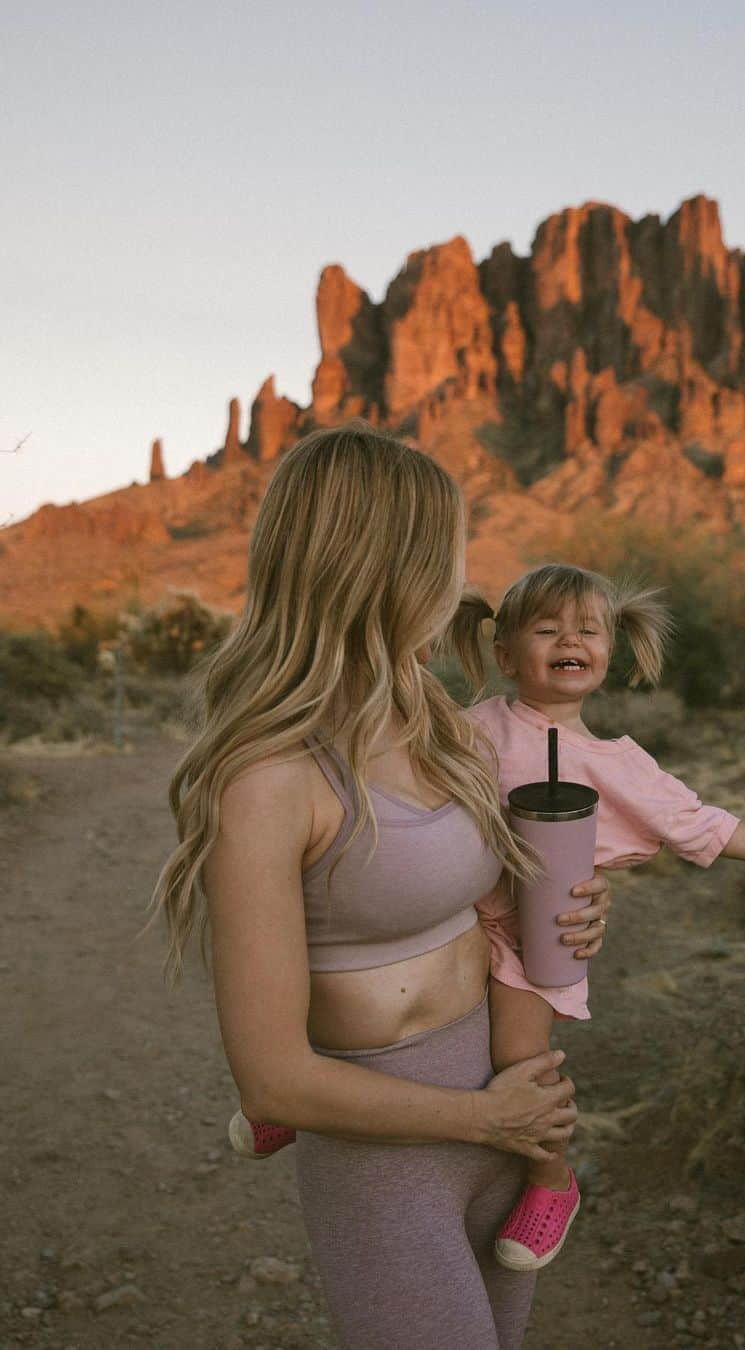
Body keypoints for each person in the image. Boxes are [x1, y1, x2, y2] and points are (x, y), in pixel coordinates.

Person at [142, 419, 614, 1350]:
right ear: (385, 567)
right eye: (445, 555)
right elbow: (273, 1080)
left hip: (504, 1114)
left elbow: (476, 895)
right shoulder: (267, 779)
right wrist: (482, 1116)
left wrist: (575, 909)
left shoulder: (430, 713)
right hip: (388, 1156)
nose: (456, 582)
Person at [229, 558, 745, 1277]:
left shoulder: (617, 763)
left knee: (518, 1056)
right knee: (336, 981)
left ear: (609, 650)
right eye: (547, 630)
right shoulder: (466, 727)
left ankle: (551, 1180)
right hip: (457, 912)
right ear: (506, 655)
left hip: (532, 932)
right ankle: (298, 1094)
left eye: (587, 630)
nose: (568, 640)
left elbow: (694, 821)